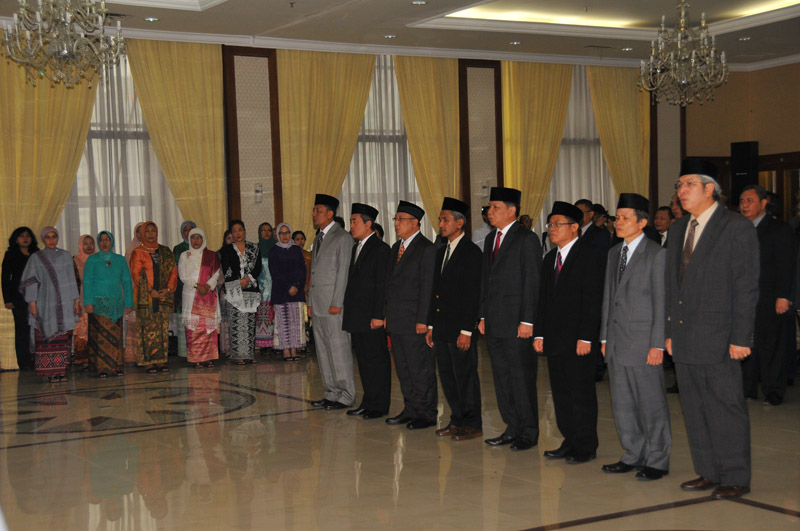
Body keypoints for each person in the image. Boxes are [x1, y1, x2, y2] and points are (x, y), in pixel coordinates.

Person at [665, 158, 758, 500]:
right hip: (684, 335)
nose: (682, 191)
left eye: (689, 184)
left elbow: (746, 286)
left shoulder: (735, 227)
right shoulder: (678, 228)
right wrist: (669, 331)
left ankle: (735, 475)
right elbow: (671, 285)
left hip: (720, 336)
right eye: (679, 185)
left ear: (710, 189)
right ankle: (708, 470)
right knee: (694, 408)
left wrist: (741, 337)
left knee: (725, 407)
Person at [599, 194, 671, 481]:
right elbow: (609, 297)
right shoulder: (614, 253)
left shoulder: (656, 254)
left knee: (651, 404)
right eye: (617, 217)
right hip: (617, 341)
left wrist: (657, 344)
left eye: (625, 218)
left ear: (642, 222)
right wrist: (604, 337)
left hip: (643, 342)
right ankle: (633, 453)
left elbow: (661, 302)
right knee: (622, 403)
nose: (619, 222)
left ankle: (658, 459)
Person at [534, 201, 605, 463]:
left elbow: (593, 300)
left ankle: (585, 445)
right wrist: (539, 334)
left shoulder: (590, 255)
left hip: (578, 340)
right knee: (561, 393)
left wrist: (586, 336)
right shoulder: (550, 258)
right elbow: (543, 300)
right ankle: (569, 439)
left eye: (557, 224)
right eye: (550, 224)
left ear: (575, 227)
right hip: (555, 339)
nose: (551, 229)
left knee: (580, 394)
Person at [478, 188, 542, 450]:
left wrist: (527, 321)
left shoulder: (526, 239)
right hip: (495, 321)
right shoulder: (490, 238)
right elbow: (485, 279)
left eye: (495, 207)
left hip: (517, 323)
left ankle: (528, 432)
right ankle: (512, 427)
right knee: (502, 379)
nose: (490, 212)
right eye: (489, 207)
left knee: (521, 379)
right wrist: (482, 314)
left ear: (512, 210)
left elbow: (532, 281)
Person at [427, 198, 483, 441]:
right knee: (448, 376)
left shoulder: (471, 252)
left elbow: (473, 294)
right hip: (442, 327)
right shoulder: (442, 251)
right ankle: (457, 419)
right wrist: (431, 325)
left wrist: (467, 330)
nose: (441, 224)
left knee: (465, 377)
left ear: (460, 223)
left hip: (460, 328)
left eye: (445, 219)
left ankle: (472, 423)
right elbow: (435, 291)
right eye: (440, 220)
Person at [738, 185, 795, 405]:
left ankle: (773, 391)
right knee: (746, 342)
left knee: (772, 346)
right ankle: (747, 389)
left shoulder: (779, 229)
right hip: (744, 297)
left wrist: (783, 295)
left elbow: (786, 264)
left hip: (771, 296)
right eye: (742, 201)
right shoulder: (738, 228)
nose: (744, 205)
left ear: (764, 203)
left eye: (749, 201)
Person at [384, 200, 437, 429]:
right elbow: (390, 285)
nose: (396, 223)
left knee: (420, 369)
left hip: (415, 320)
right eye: (395, 219)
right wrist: (386, 313)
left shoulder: (426, 248)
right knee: (404, 369)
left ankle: (426, 413)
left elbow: (427, 287)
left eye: (401, 219)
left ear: (415, 223)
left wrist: (423, 320)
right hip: (397, 319)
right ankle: (411, 408)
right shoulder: (396, 248)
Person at [342, 203, 391, 419]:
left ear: (368, 224)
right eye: (350, 221)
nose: (351, 226)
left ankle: (379, 406)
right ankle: (368, 401)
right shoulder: (357, 247)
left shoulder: (380, 249)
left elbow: (382, 285)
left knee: (376, 361)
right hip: (358, 316)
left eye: (355, 221)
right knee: (364, 361)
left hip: (372, 317)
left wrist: (379, 315)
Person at [308, 194, 355, 410]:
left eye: (318, 210)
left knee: (338, 350)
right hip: (318, 304)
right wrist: (310, 302)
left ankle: (346, 394)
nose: (314, 214)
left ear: (330, 214)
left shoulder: (342, 238)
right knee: (323, 351)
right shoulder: (318, 238)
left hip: (334, 305)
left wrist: (338, 302)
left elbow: (343, 272)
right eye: (314, 210)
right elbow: (314, 272)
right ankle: (331, 391)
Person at [19, 226, 81, 383]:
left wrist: (76, 300)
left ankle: (61, 371)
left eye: (54, 236)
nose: (52, 240)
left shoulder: (66, 256)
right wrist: (32, 303)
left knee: (63, 337)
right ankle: (51, 372)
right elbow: (31, 282)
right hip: (45, 303)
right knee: (47, 335)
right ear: (43, 239)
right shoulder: (36, 258)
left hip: (65, 303)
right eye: (48, 237)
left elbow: (72, 279)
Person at [83, 231, 134, 378]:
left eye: (107, 239)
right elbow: (87, 282)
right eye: (102, 240)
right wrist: (88, 302)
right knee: (100, 336)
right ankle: (102, 367)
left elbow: (126, 282)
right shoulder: (92, 260)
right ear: (98, 242)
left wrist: (129, 302)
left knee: (115, 336)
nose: (105, 243)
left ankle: (116, 366)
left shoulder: (120, 259)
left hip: (116, 302)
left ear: (112, 241)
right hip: (98, 303)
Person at [130, 222, 178, 374]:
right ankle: (148, 362)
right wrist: (151, 290)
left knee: (162, 329)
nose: (150, 234)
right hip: (146, 299)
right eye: (147, 231)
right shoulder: (138, 252)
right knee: (146, 329)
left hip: (163, 297)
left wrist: (168, 289)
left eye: (153, 231)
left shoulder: (165, 251)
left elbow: (173, 271)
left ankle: (161, 360)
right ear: (142, 234)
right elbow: (136, 274)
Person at [219, 220, 262, 365]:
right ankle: (238, 355)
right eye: (234, 231)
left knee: (249, 323)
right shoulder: (226, 250)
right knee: (236, 323)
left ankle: (249, 354)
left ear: (244, 231)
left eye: (240, 230)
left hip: (251, 288)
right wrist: (239, 282)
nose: (237, 233)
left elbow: (258, 267)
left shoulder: (254, 248)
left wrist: (247, 280)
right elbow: (227, 268)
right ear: (232, 233)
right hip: (234, 289)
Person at [178, 228, 222, 369]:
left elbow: (216, 273)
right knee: (194, 327)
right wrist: (198, 286)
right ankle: (196, 358)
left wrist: (207, 285)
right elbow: (183, 276)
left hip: (208, 295)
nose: (196, 240)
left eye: (199, 237)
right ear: (189, 239)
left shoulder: (211, 255)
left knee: (208, 327)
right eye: (193, 237)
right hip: (192, 295)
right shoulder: (184, 255)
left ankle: (208, 358)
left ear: (203, 239)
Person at [268, 223, 307, 361]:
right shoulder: (273, 251)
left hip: (297, 291)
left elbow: (302, 270)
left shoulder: (296, 249)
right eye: (282, 233)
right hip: (281, 291)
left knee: (296, 321)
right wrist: (288, 287)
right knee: (283, 321)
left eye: (287, 232)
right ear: (278, 235)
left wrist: (296, 286)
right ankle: (285, 350)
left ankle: (294, 349)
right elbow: (274, 272)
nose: (285, 236)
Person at [2, 227, 38, 370]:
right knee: (22, 329)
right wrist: (7, 299)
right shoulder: (11, 254)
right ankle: (24, 362)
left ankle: (37, 359)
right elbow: (5, 278)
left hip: (36, 296)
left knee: (35, 329)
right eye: (22, 236)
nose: (25, 238)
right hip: (18, 297)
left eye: (28, 236)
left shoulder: (36, 254)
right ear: (16, 239)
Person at [173, 221, 197, 360]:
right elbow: (177, 269)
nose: (188, 232)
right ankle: (184, 353)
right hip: (182, 290)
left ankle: (197, 352)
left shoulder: (201, 246)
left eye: (191, 229)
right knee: (184, 320)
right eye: (185, 230)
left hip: (199, 291)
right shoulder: (178, 249)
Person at [72, 234, 97, 369]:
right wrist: (75, 301)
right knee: (82, 330)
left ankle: (95, 359)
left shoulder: (98, 258)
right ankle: (82, 360)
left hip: (97, 298)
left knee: (95, 331)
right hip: (80, 298)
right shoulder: (75, 260)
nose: (89, 246)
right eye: (86, 243)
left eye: (91, 243)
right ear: (80, 245)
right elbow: (73, 282)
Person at [124, 222, 146, 363]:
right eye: (138, 231)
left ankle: (147, 355)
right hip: (134, 291)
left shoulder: (153, 249)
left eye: (143, 231)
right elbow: (126, 276)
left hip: (149, 293)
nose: (140, 234)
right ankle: (135, 356)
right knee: (134, 325)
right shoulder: (131, 250)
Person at [255, 222, 276, 350]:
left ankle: (276, 343)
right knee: (262, 316)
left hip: (275, 287)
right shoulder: (256, 249)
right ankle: (263, 344)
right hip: (261, 288)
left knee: (275, 315)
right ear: (259, 233)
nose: (266, 233)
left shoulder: (276, 248)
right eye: (263, 230)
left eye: (269, 230)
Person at [217, 229, 233, 356]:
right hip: (225, 291)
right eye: (229, 238)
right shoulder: (219, 254)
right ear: (224, 240)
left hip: (239, 290)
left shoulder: (242, 252)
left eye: (233, 238)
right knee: (226, 321)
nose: (231, 241)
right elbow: (217, 272)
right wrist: (223, 283)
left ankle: (238, 348)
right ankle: (227, 349)